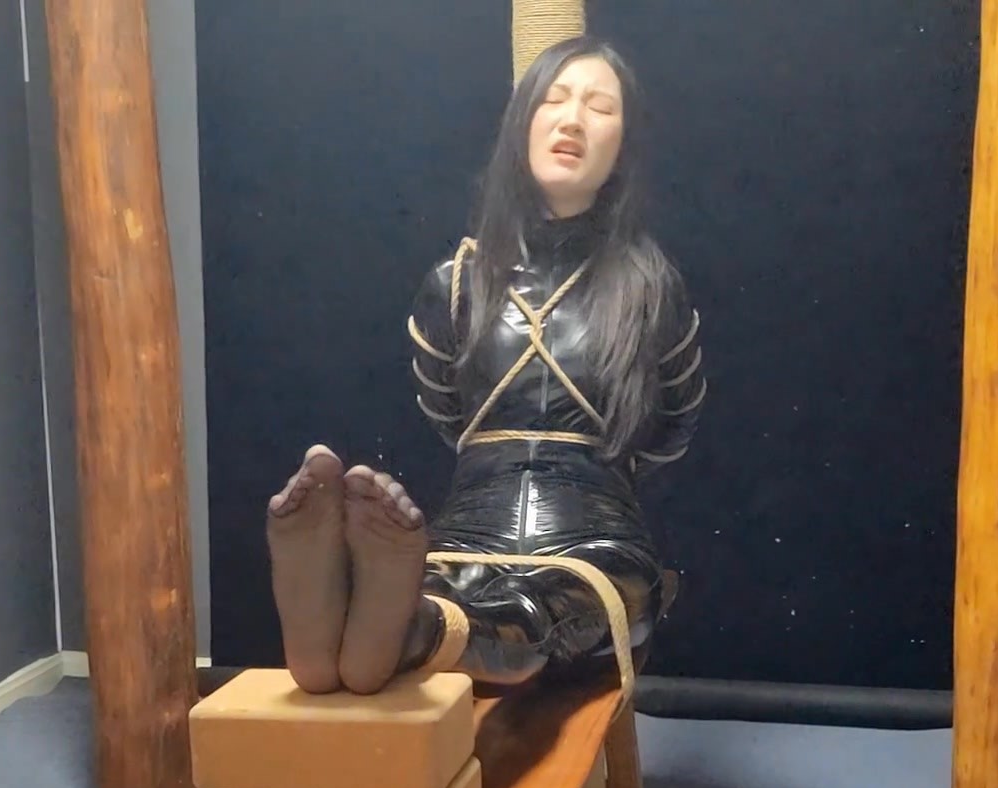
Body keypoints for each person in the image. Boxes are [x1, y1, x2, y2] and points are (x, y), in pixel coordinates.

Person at [264, 36, 706, 697]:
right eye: (554, 99)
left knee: (544, 612)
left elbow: (673, 422)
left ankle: (402, 629)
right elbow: (447, 410)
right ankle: (370, 615)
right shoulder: (454, 285)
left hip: (598, 547)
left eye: (599, 106)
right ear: (520, 125)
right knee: (443, 588)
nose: (573, 119)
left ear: (624, 146)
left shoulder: (651, 289)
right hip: (469, 531)